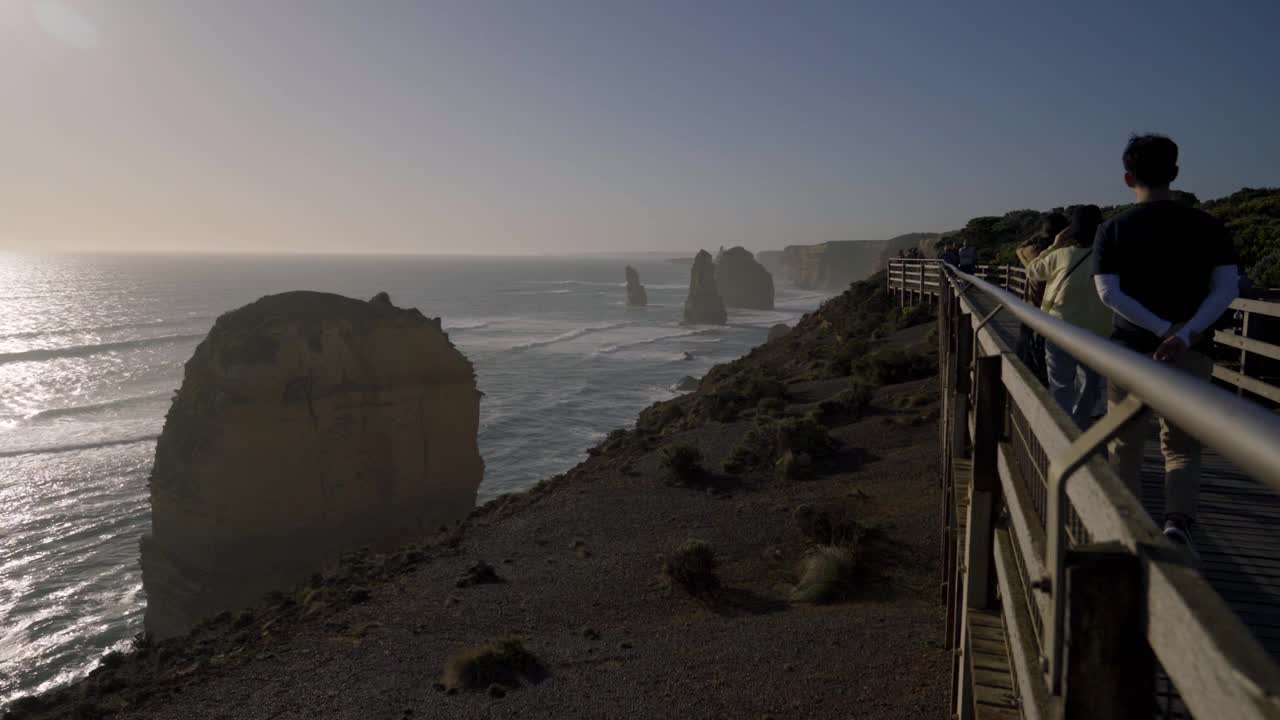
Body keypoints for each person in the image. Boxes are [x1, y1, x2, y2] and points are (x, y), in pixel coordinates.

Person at [1093, 134, 1239, 556]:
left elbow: (1109, 293)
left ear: (1127, 178)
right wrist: (1184, 334)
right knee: (1182, 446)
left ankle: (1128, 526)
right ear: (1175, 173)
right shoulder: (1208, 226)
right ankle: (1178, 525)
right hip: (1190, 352)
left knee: (1126, 442)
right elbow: (1225, 289)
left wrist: (1160, 329)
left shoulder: (1113, 229)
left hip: (1130, 351)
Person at [1024, 205, 1111, 428]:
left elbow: (1032, 271)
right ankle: (1080, 428)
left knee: (1061, 384)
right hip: (1098, 332)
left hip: (1059, 329)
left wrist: (1055, 245)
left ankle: (1061, 430)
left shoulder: (1061, 255)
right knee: (1088, 385)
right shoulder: (1110, 257)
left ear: (1072, 231)